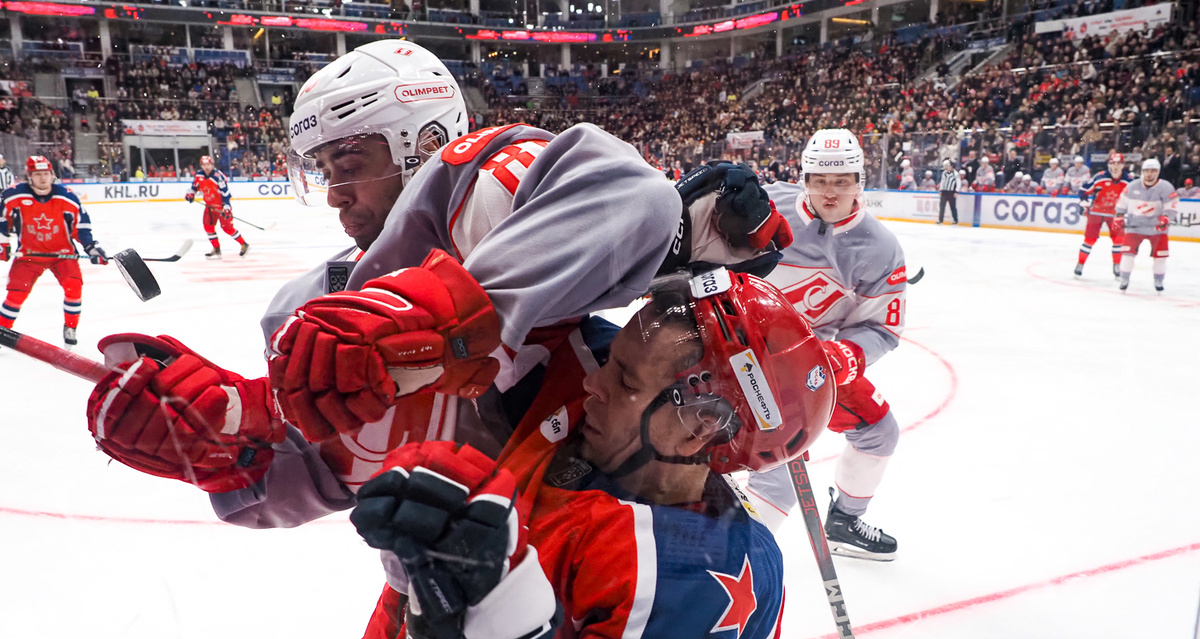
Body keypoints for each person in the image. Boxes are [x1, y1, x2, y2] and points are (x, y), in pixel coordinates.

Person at [4, 269, 836, 639]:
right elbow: (566, 213)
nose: (596, 382)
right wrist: (243, 418)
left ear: (695, 429)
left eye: (622, 379)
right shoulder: (573, 409)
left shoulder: (708, 574)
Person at [83, 39, 791, 530]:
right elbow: (338, 478)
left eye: (349, 161)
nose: (335, 194)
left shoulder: (475, 186)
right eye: (323, 169)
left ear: (420, 142)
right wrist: (234, 440)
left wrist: (696, 237)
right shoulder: (311, 312)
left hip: (606, 593)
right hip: (447, 626)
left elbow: (623, 200)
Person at [750, 129, 905, 560]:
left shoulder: (879, 248)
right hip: (736, 353)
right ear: (804, 178)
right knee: (776, 481)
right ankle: (732, 565)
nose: (830, 191)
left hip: (809, 366)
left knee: (878, 432)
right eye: (820, 179)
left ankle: (844, 522)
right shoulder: (765, 206)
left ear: (860, 180)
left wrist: (846, 356)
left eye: (841, 181)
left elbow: (881, 328)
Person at [0, 155, 106, 346]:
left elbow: (81, 226)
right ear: (29, 176)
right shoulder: (14, 195)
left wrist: (91, 247)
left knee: (73, 288)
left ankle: (71, 328)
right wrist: (3, 244)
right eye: (37, 174)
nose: (42, 178)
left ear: (52, 175)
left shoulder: (67, 197)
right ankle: (1, 331)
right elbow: (2, 221)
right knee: (15, 294)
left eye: (46, 173)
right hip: (29, 255)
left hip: (63, 255)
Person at [1113, 157, 1178, 293]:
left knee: (1160, 256)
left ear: (1158, 172)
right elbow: (1121, 204)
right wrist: (1119, 216)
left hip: (1157, 229)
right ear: (1142, 171)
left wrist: (1166, 218)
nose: (1149, 174)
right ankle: (1124, 278)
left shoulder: (1166, 187)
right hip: (1134, 227)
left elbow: (1171, 207)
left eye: (1153, 171)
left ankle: (1158, 280)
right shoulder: (1132, 186)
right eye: (1146, 171)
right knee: (1127, 253)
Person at [1075, 151, 1131, 278]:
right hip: (1096, 212)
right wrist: (1083, 202)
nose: (1116, 166)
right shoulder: (1099, 177)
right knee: (1089, 240)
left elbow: (1134, 197)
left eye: (1119, 163)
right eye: (1113, 163)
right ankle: (1080, 263)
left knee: (1119, 240)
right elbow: (1083, 190)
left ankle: (1117, 264)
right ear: (1109, 165)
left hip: (1115, 214)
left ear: (1123, 165)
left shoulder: (1129, 180)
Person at [185, 154, 249, 259]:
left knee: (227, 229)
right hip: (209, 207)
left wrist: (226, 207)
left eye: (208, 164)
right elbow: (194, 187)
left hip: (221, 207)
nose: (206, 167)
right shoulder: (199, 175)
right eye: (204, 164)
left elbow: (226, 193)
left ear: (212, 164)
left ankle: (243, 244)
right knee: (208, 227)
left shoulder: (218, 177)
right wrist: (191, 194)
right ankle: (216, 248)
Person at [938, 157, 960, 224]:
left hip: (951, 192)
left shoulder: (955, 173)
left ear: (951, 166)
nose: (946, 168)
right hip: (944, 191)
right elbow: (942, 182)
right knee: (942, 206)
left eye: (948, 166)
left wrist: (956, 191)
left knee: (952, 206)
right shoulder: (944, 173)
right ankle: (940, 220)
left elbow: (958, 183)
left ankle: (955, 220)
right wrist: (941, 190)